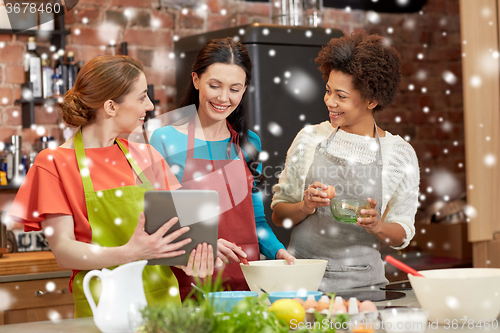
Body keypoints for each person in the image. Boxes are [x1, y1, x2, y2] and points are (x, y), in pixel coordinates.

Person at [8, 55, 214, 317]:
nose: (149, 105)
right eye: (141, 97)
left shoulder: (148, 155)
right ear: (111, 107)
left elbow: (180, 231)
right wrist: (128, 253)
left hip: (164, 308)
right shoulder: (53, 163)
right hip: (104, 309)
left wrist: (200, 250)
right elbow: (64, 251)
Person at [271, 31, 420, 291]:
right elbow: (278, 214)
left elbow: (402, 233)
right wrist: (305, 206)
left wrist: (377, 226)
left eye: (341, 96)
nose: (330, 101)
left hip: (365, 286)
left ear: (372, 100)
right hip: (302, 281)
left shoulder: (399, 153)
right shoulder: (309, 139)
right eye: (328, 91)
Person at [150, 37, 295, 299]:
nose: (223, 98)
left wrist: (277, 251)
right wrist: (201, 240)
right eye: (214, 85)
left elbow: (256, 219)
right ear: (196, 80)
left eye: (234, 89)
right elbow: (161, 224)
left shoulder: (250, 142)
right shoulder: (165, 140)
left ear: (244, 89)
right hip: (190, 283)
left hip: (246, 283)